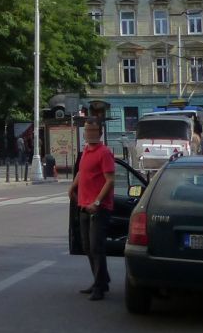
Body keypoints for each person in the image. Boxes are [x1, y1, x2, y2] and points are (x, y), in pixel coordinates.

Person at [68, 119, 114, 301]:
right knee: (87, 246)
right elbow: (82, 172)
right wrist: (72, 187)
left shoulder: (105, 153)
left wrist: (97, 202)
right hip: (83, 205)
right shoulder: (86, 151)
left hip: (99, 208)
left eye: (93, 130)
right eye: (87, 130)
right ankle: (101, 280)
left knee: (96, 247)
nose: (89, 133)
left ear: (100, 132)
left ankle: (99, 287)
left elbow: (110, 179)